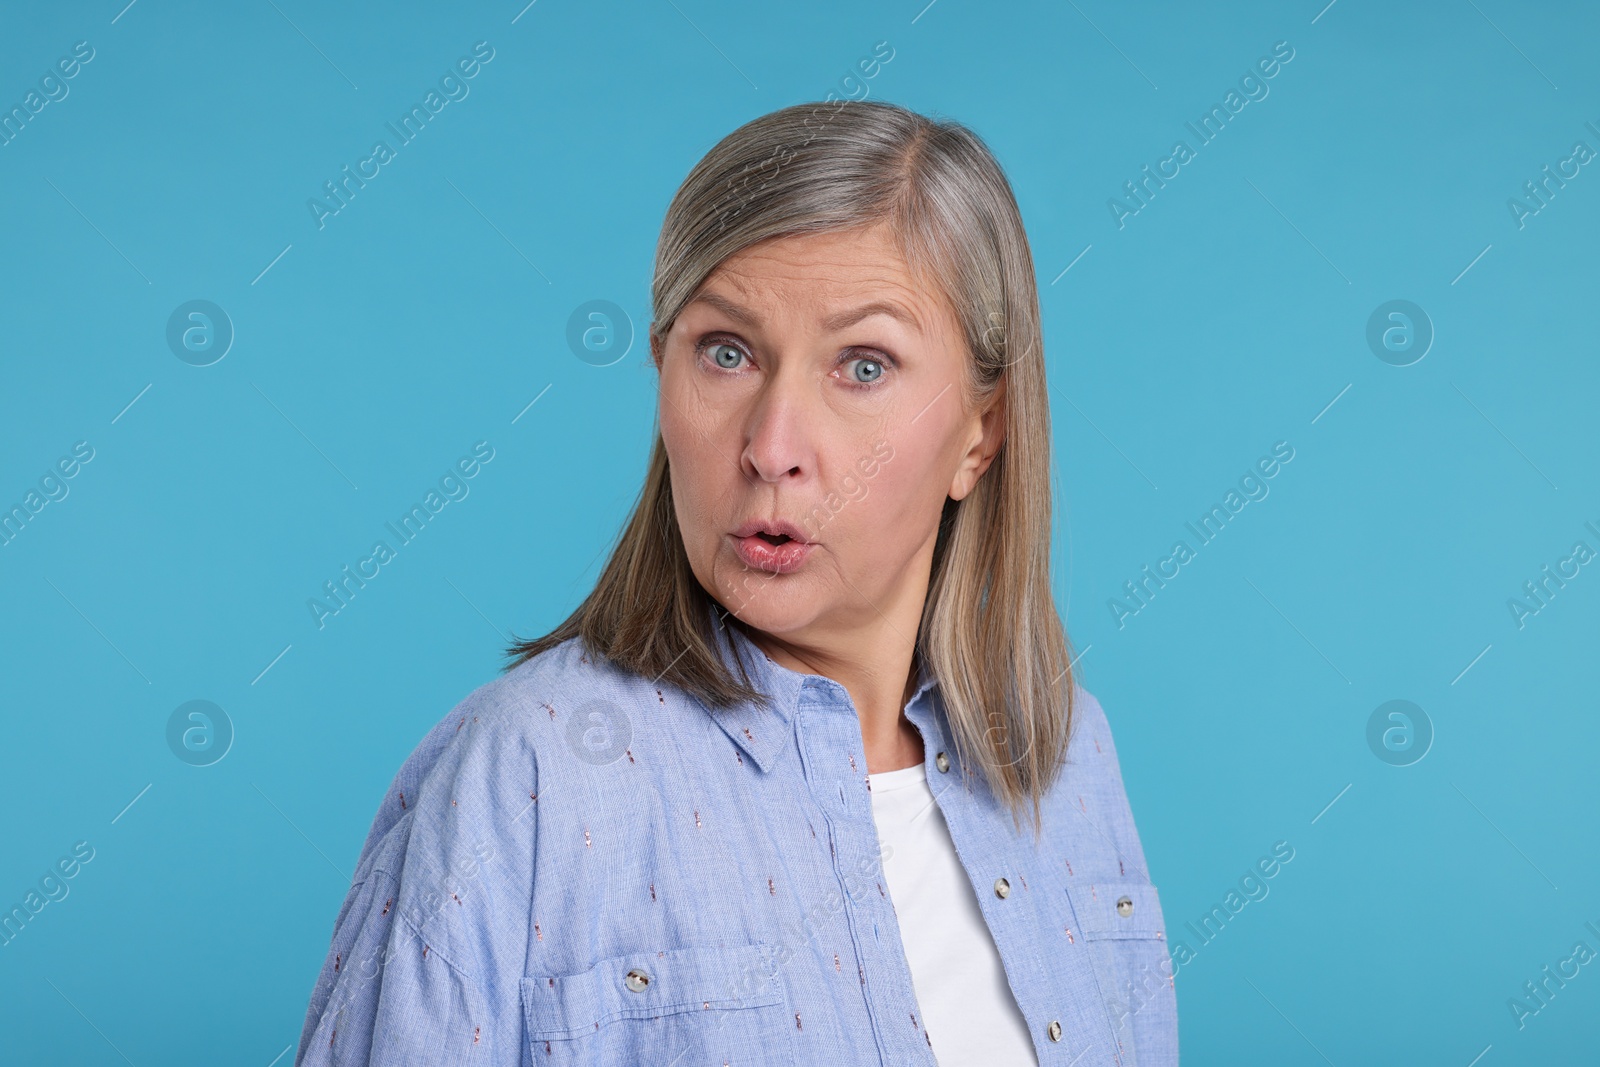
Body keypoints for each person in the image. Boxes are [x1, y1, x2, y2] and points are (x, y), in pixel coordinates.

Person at [295, 99, 1177, 1066]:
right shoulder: (528, 775)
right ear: (661, 369)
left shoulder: (1066, 756)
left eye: (864, 365)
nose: (771, 447)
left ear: (982, 432)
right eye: (726, 352)